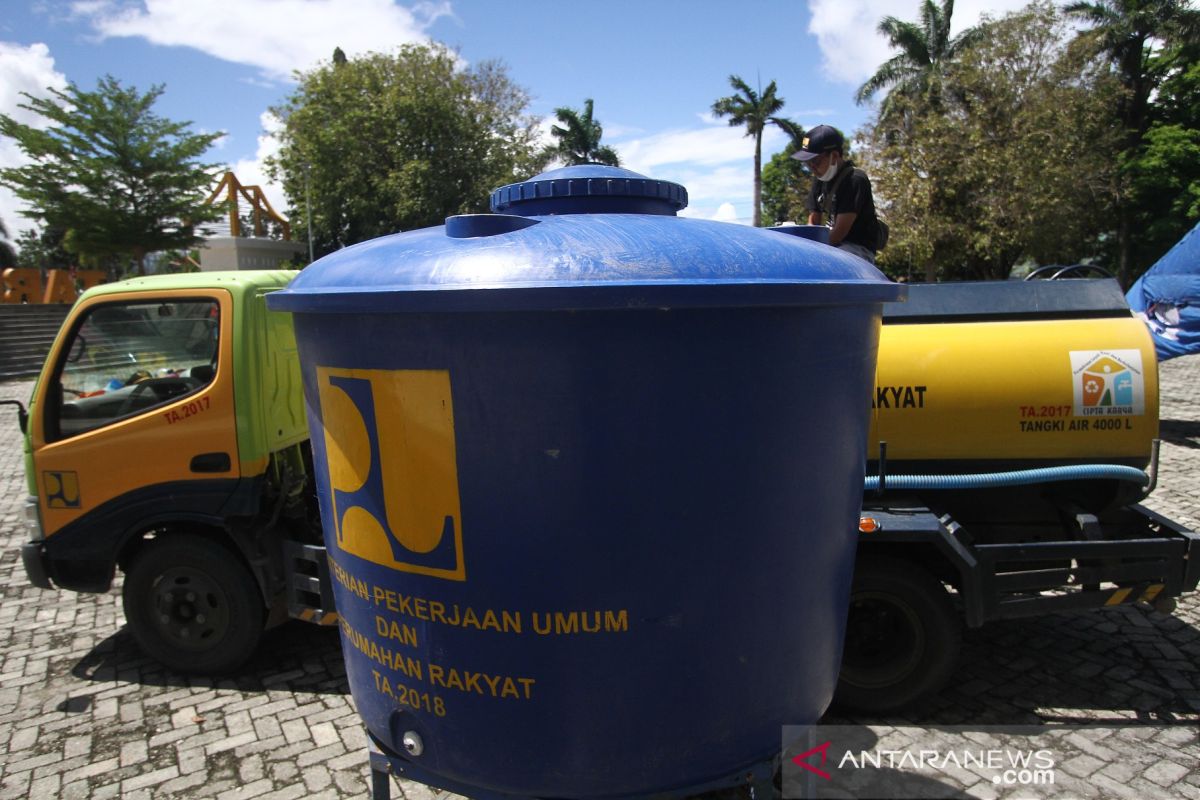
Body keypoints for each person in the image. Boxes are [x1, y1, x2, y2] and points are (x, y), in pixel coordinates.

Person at [792, 125, 881, 264]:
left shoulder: (854, 180)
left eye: (815, 161)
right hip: (831, 247)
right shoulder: (819, 179)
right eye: (807, 164)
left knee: (825, 263)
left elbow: (839, 233)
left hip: (857, 249)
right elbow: (813, 222)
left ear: (834, 156)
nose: (812, 168)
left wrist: (814, 250)